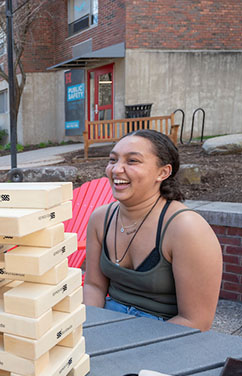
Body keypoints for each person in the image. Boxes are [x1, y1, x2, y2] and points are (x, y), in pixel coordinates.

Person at [83, 129, 222, 331]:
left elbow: (196, 321)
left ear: (163, 172)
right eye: (113, 160)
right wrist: (91, 328)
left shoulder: (186, 229)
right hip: (106, 319)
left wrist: (125, 344)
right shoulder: (100, 219)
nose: (116, 170)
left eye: (132, 161)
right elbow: (94, 286)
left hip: (165, 332)